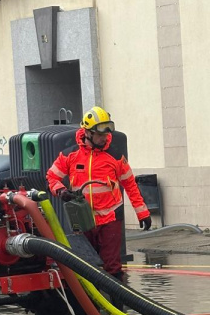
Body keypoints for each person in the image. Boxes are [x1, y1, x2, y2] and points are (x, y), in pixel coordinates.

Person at [46, 106, 151, 284]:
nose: (104, 138)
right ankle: (90, 309)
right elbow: (51, 177)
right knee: (86, 267)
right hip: (83, 219)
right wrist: (61, 191)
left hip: (110, 219)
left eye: (106, 134)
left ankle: (117, 306)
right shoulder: (70, 155)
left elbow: (130, 184)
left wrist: (142, 213)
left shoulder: (115, 156)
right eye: (100, 135)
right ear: (87, 133)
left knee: (113, 268)